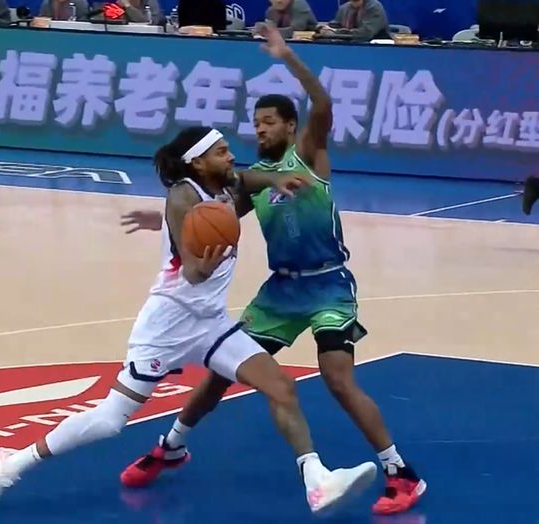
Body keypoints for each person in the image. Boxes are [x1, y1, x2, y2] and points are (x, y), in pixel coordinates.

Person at [0, 125, 377, 517]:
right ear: (197, 162)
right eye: (221, 152)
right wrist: (203, 264)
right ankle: (10, 464)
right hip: (168, 325)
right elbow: (192, 272)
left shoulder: (226, 182)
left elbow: (249, 179)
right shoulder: (182, 196)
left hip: (211, 323)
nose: (230, 156)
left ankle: (317, 480)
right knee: (109, 421)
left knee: (281, 386)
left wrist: (274, 179)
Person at [119, 23, 426, 516]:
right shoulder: (252, 182)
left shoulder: (309, 156)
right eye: (256, 123)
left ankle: (400, 472)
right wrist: (164, 220)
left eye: (268, 122)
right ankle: (171, 446)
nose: (259, 130)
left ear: (289, 126)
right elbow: (209, 218)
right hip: (281, 291)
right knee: (220, 371)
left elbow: (322, 103)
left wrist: (286, 56)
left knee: (337, 378)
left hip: (328, 285)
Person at [318, 0, 390, 41]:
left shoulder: (374, 7)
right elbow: (335, 25)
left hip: (373, 48)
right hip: (348, 46)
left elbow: (365, 34)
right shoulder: (344, 8)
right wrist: (324, 29)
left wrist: (336, 32)